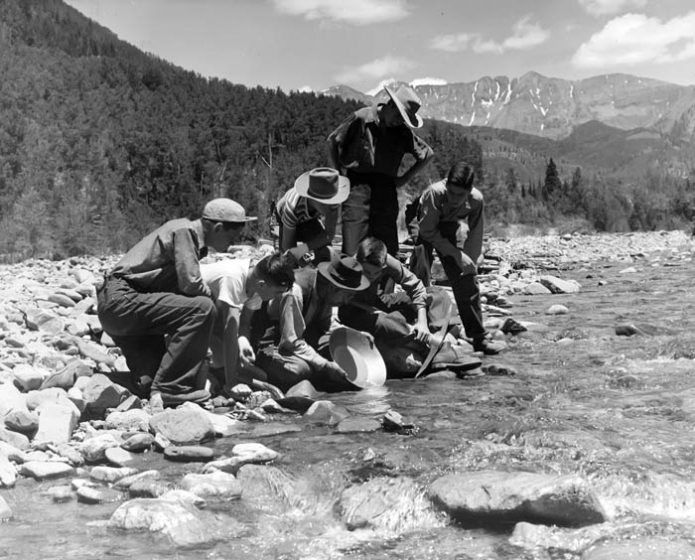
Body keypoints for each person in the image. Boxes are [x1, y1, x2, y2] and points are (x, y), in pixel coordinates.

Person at [97, 198, 256, 410]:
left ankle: (101, 383)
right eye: (231, 237)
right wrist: (215, 305)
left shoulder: (189, 238)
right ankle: (172, 389)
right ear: (218, 228)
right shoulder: (184, 231)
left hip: (126, 311)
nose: (231, 244)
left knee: (148, 384)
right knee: (203, 307)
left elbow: (176, 301)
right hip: (122, 301)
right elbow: (191, 284)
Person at [344, 236, 478, 375]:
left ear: (383, 265)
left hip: (379, 300)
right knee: (380, 321)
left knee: (437, 293)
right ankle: (433, 344)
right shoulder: (348, 268)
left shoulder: (388, 261)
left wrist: (422, 322)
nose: (371, 276)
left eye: (376, 273)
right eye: (367, 272)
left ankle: (430, 329)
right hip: (357, 310)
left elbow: (415, 285)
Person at [328, 85, 434, 256]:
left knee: (386, 246)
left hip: (386, 188)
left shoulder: (402, 131)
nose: (399, 121)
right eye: (398, 116)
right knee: (353, 242)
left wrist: (403, 179)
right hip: (357, 186)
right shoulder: (362, 118)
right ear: (390, 105)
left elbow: (427, 154)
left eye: (403, 119)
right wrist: (339, 173)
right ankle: (352, 279)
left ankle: (384, 281)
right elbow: (333, 141)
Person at [415, 162, 503, 355]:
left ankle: (478, 337)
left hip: (448, 225)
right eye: (451, 193)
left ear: (469, 190)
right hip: (423, 223)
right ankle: (417, 323)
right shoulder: (434, 193)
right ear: (446, 185)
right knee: (419, 272)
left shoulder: (476, 200)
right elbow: (428, 231)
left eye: (460, 195)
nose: (455, 199)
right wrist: (456, 254)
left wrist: (470, 263)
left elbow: (475, 233)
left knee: (467, 280)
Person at [249, 256, 370, 392]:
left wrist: (355, 336)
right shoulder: (294, 292)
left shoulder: (325, 292)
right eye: (347, 295)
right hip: (268, 345)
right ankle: (255, 370)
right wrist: (325, 365)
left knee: (339, 353)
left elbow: (328, 323)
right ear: (332, 288)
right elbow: (290, 341)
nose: (347, 301)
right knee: (300, 370)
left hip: (295, 342)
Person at [199, 252, 295, 395]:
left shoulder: (257, 285)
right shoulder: (233, 279)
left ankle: (216, 373)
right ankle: (212, 377)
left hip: (211, 317)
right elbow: (229, 330)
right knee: (222, 364)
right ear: (262, 285)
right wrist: (232, 384)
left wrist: (243, 340)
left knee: (258, 376)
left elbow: (244, 322)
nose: (278, 297)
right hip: (187, 313)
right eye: (277, 292)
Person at [275, 167, 349, 264]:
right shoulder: (292, 207)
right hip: (282, 220)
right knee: (287, 260)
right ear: (310, 198)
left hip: (309, 220)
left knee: (326, 252)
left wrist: (303, 250)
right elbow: (288, 248)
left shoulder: (332, 206)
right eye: (324, 203)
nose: (329, 209)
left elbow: (328, 235)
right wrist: (298, 254)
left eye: (332, 203)